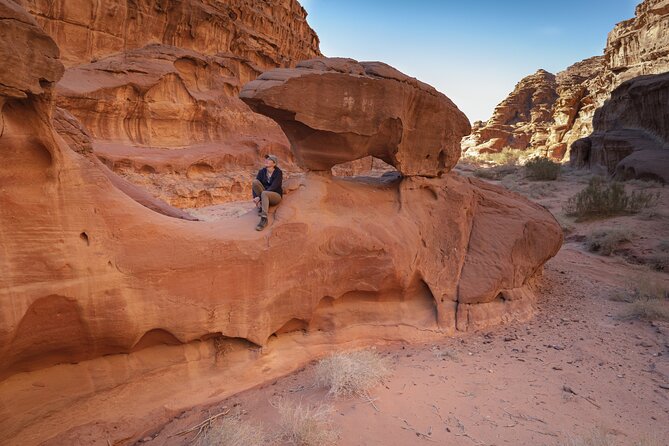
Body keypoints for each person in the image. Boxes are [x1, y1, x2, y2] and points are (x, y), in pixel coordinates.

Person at [251, 154, 283, 231]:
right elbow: (256, 185)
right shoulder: (262, 172)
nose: (266, 160)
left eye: (269, 159)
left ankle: (264, 219)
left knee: (264, 193)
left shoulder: (278, 172)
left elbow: (274, 186)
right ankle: (263, 203)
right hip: (264, 194)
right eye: (266, 159)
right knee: (255, 182)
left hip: (275, 196)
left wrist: (260, 197)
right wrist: (255, 196)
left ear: (274, 163)